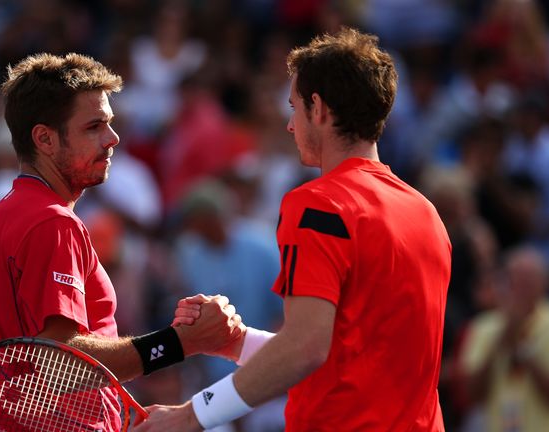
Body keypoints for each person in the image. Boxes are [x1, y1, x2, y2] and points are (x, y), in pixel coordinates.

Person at [135, 27, 452, 431]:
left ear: (318, 108)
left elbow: (305, 348)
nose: (289, 125)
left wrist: (190, 415)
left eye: (293, 107)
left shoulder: (317, 204)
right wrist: (237, 342)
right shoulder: (425, 211)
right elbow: (341, 358)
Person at [0, 53, 243, 428]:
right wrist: (181, 342)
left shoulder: (7, 214)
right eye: (94, 126)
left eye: (110, 124)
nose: (112, 138)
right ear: (45, 139)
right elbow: (59, 361)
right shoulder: (51, 222)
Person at [459, 247, 549, 432]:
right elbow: (472, 394)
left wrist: (521, 347)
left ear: (544, 283)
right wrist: (501, 341)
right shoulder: (484, 327)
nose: (519, 288)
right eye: (513, 280)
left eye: (527, 281)